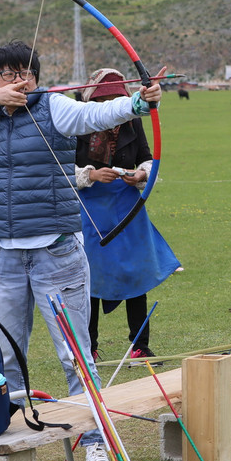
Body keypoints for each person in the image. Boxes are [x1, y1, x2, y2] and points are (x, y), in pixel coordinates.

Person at [0, 40, 163, 461]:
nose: (17, 81)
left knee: (75, 354)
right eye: (6, 75)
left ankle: (93, 441)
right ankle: (5, 444)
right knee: (3, 354)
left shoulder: (55, 109)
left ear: (37, 78)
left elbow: (98, 114)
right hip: (3, 255)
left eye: (25, 73)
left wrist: (138, 101)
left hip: (57, 253)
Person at [74, 68, 180, 363]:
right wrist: (91, 174)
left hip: (127, 205)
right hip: (91, 208)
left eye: (116, 97)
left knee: (138, 273)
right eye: (103, 97)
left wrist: (142, 173)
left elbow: (147, 157)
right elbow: (58, 167)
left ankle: (139, 345)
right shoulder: (76, 120)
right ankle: (89, 347)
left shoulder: (132, 121)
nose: (110, 103)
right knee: (89, 278)